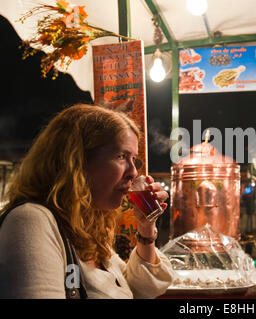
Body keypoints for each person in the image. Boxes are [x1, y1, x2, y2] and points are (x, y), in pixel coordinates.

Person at [0, 104, 174, 298]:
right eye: (121, 156)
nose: (133, 172)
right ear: (77, 161)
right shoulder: (31, 221)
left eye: (133, 159)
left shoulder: (85, 229)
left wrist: (146, 228)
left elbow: (142, 288)